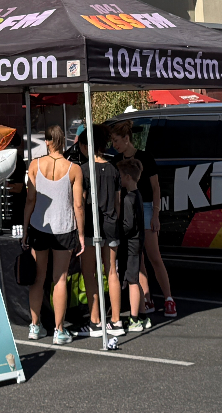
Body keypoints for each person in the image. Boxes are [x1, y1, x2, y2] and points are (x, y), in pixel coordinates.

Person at [21, 124, 86, 346]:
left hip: (39, 226)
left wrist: (25, 228)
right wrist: (82, 234)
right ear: (63, 141)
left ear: (47, 141)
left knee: (38, 278)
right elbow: (78, 205)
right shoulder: (74, 168)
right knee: (60, 279)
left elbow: (30, 200)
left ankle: (34, 325)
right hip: (64, 227)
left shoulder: (35, 165)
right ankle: (59, 330)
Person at [110, 119, 176, 317]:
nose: (114, 145)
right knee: (137, 258)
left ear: (126, 138)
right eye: (112, 141)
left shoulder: (145, 157)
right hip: (126, 208)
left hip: (145, 207)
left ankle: (168, 298)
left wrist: (156, 214)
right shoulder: (116, 160)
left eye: (116, 140)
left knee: (154, 256)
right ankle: (147, 298)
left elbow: (156, 188)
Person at [74, 124, 124, 339]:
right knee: (112, 272)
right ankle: (116, 320)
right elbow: (118, 203)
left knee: (89, 272)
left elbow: (80, 202)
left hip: (91, 225)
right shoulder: (114, 169)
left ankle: (95, 321)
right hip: (111, 224)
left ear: (86, 145)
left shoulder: (83, 170)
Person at [118, 160, 151, 332]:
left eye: (120, 176)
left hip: (131, 243)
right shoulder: (137, 195)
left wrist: (118, 230)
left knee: (132, 280)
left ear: (128, 177)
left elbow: (128, 226)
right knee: (135, 279)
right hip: (137, 242)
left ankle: (134, 319)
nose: (119, 179)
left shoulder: (128, 198)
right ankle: (143, 315)